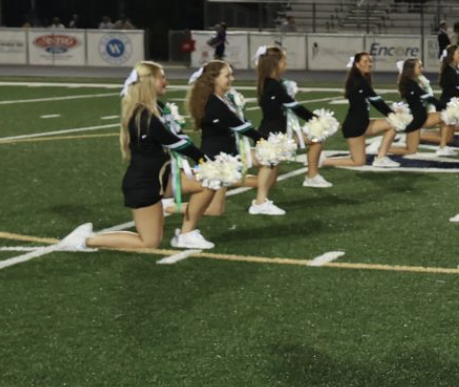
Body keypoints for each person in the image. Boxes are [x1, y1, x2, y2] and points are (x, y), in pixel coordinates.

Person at [57, 63, 218, 253]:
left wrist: (207, 166)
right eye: (162, 78)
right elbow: (176, 143)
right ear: (149, 82)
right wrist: (206, 161)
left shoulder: (158, 108)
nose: (166, 82)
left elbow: (180, 137)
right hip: (144, 184)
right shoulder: (142, 115)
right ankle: (85, 240)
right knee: (149, 242)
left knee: (208, 182)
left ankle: (186, 235)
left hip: (163, 178)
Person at [253, 46, 330, 194]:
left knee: (316, 139)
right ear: (275, 64)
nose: (286, 63)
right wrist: (316, 119)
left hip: (281, 135)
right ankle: (227, 181)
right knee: (268, 182)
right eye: (284, 61)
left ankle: (312, 176)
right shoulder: (272, 85)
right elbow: (293, 106)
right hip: (272, 138)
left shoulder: (273, 83)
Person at [191, 61, 258, 221]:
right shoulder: (213, 103)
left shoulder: (223, 99)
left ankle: (261, 199)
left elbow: (239, 122)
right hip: (217, 162)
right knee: (214, 210)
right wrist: (263, 139)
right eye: (227, 76)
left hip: (228, 157)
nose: (232, 79)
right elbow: (239, 126)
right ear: (214, 79)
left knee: (264, 172)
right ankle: (169, 206)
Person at [328, 53, 399, 169]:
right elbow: (376, 101)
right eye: (365, 61)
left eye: (370, 61)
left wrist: (394, 117)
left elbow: (374, 100)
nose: (369, 64)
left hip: (363, 124)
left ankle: (381, 158)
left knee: (394, 124)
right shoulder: (357, 81)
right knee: (358, 162)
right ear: (357, 64)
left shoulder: (361, 79)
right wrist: (393, 114)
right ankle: (321, 161)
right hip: (354, 127)